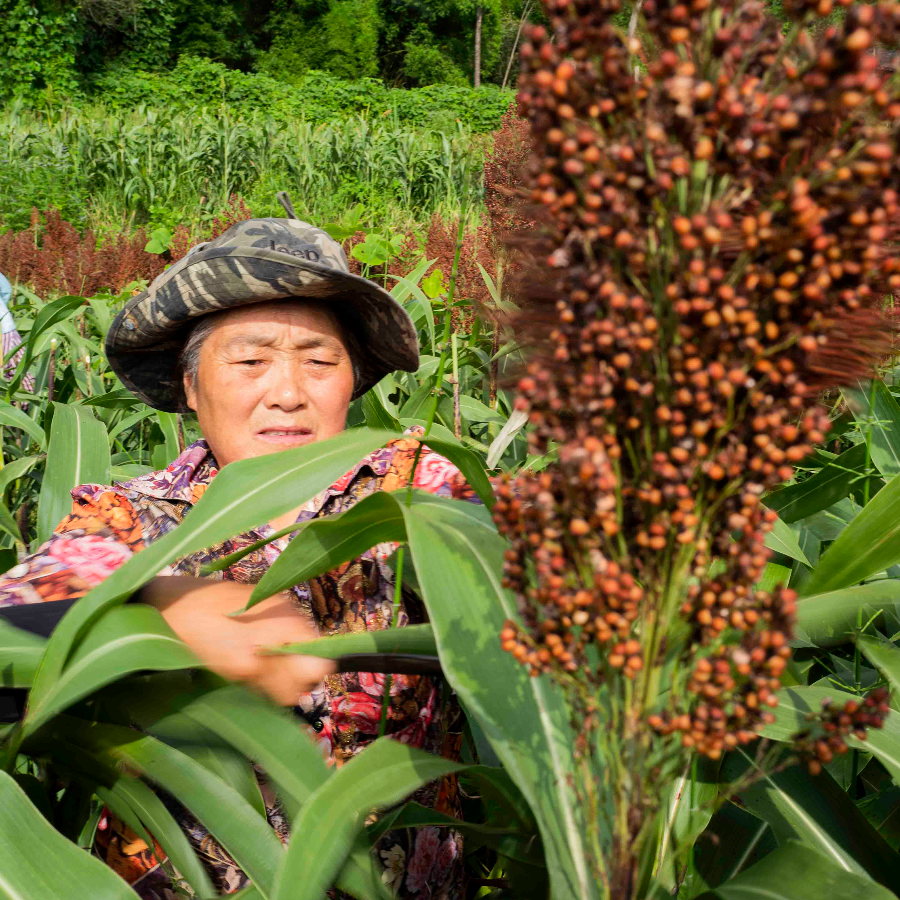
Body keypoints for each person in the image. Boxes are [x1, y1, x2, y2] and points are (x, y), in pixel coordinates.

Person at [0, 207, 476, 898]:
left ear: (353, 382)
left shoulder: (421, 488)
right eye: (250, 360)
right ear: (191, 387)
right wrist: (148, 605)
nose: (287, 392)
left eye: (319, 361)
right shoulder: (131, 519)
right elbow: (9, 636)